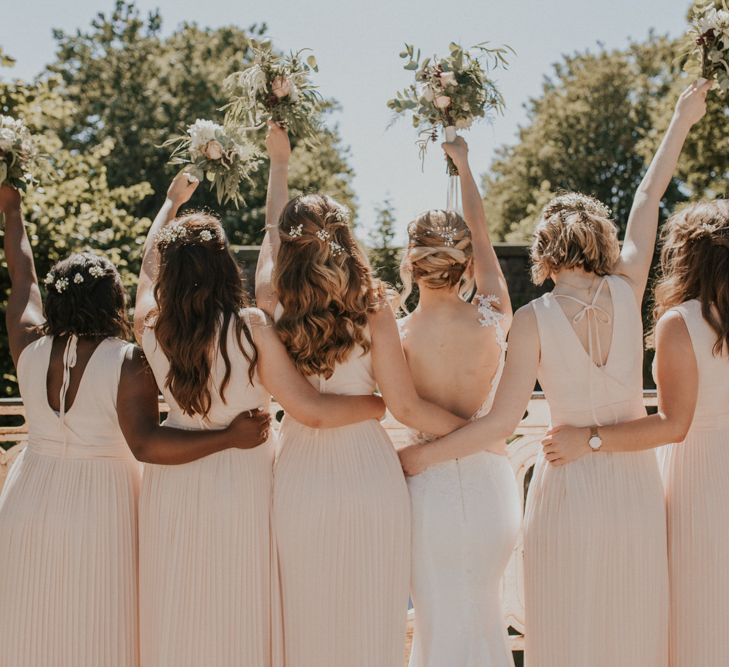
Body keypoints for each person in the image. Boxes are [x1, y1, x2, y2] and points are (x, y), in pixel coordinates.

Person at [399, 81, 710, 667]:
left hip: (566, 480)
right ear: (603, 240)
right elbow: (648, 195)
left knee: (566, 627)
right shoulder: (628, 288)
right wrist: (682, 118)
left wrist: (420, 458)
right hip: (635, 486)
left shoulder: (531, 320)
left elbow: (498, 424)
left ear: (543, 248)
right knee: (632, 623)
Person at [0, 184, 265, 667]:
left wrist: (12, 210)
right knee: (98, 626)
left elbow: (23, 279)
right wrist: (228, 437)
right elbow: (146, 444)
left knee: (30, 624)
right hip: (100, 504)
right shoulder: (127, 361)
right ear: (111, 300)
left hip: (27, 496)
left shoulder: (27, 348)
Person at [134, 173, 386, 667]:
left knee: (177, 605)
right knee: (237, 607)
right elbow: (310, 410)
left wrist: (169, 204)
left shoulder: (150, 323)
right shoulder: (251, 328)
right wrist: (377, 405)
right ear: (227, 264)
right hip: (243, 481)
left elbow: (146, 271)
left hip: (170, 487)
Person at [259, 123, 467, 667]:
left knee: (304, 616)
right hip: (369, 473)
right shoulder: (374, 305)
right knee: (372, 620)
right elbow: (405, 407)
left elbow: (269, 231)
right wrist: (476, 433)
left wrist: (278, 165)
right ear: (346, 240)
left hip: (300, 472)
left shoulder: (270, 297)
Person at [544, 198, 729, 666]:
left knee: (697, 612)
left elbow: (674, 424)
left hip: (701, 482)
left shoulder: (682, 322)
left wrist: (589, 438)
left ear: (688, 257)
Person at [396, 137, 520, 667]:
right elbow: (484, 231)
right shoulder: (495, 312)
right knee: (485, 617)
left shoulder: (396, 336)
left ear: (411, 264)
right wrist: (466, 164)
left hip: (427, 496)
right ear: (465, 263)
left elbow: (401, 409)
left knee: (436, 622)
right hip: (491, 484)